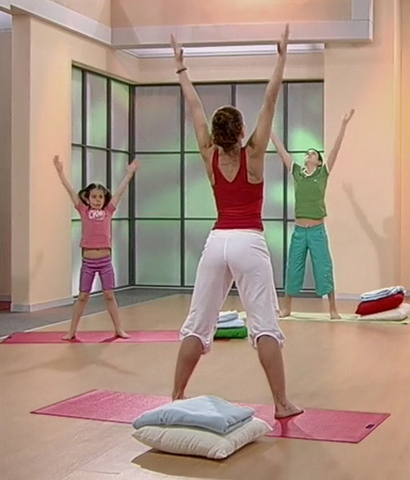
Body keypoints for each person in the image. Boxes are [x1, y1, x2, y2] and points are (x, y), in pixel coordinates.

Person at [169, 27, 302, 418]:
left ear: (215, 134)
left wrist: (181, 69)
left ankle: (175, 395)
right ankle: (281, 403)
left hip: (217, 242)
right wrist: (281, 59)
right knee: (264, 325)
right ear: (243, 131)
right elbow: (270, 99)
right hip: (248, 241)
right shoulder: (255, 153)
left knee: (198, 323)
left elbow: (194, 107)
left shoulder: (208, 153)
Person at [270, 109, 355, 319]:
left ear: (318, 162)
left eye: (313, 154)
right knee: (293, 267)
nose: (308, 155)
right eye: (307, 153)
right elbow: (282, 153)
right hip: (300, 231)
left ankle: (333, 309)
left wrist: (343, 124)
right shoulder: (298, 173)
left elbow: (335, 149)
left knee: (324, 267)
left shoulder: (323, 173)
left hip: (317, 231)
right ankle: (286, 308)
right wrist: (270, 133)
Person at [53, 155, 138, 341]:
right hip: (88, 262)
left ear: (104, 198)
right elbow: (70, 191)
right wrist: (60, 172)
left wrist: (129, 174)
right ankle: (72, 331)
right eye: (94, 197)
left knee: (109, 295)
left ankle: (118, 329)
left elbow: (120, 192)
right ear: (88, 198)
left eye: (100, 197)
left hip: (105, 261)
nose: (98, 200)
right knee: (83, 296)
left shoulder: (108, 211)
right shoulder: (83, 210)